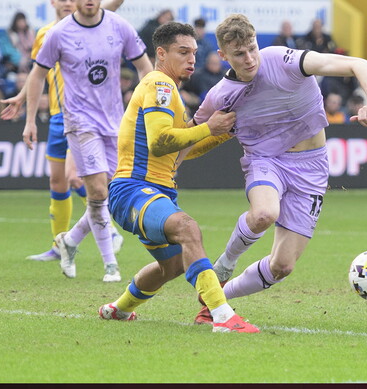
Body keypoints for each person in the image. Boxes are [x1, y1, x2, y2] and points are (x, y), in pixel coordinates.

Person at [189, 13, 367, 325]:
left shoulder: (283, 59)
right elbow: (191, 137)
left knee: (282, 266)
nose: (250, 58)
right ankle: (224, 265)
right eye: (239, 54)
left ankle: (217, 298)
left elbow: (361, 65)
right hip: (266, 161)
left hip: (312, 166)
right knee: (265, 213)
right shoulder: (220, 96)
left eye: (252, 48)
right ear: (223, 55)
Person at [98, 21, 259, 332]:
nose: (192, 60)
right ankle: (222, 316)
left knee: (171, 266)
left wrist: (224, 132)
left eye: (195, 53)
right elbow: (160, 141)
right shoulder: (159, 84)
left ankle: (118, 310)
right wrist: (209, 127)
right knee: (188, 229)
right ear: (161, 53)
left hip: (155, 191)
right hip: (133, 189)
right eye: (183, 52)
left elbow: (186, 148)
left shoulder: (168, 90)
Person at [0, 0, 139, 263]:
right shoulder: (47, 35)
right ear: (56, 2)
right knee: (57, 181)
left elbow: (116, 0)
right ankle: (59, 243)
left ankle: (104, 229)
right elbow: (40, 74)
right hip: (60, 115)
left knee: (81, 178)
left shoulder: (97, 21)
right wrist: (24, 103)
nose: (68, 2)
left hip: (88, 117)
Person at [20, 0, 153, 282]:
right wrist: (28, 120)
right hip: (79, 122)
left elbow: (144, 65)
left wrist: (153, 103)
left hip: (114, 121)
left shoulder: (118, 25)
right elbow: (38, 73)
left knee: (107, 191)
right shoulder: (59, 33)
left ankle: (69, 241)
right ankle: (111, 265)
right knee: (94, 189)